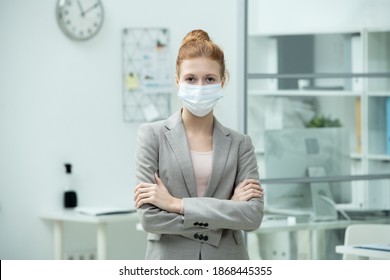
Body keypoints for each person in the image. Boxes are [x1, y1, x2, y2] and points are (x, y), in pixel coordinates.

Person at [134, 29, 264, 260]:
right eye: (191, 79)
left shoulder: (240, 144)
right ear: (178, 81)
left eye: (210, 79)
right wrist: (228, 210)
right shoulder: (152, 136)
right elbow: (150, 219)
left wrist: (175, 204)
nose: (200, 87)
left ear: (222, 82)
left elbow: (252, 217)